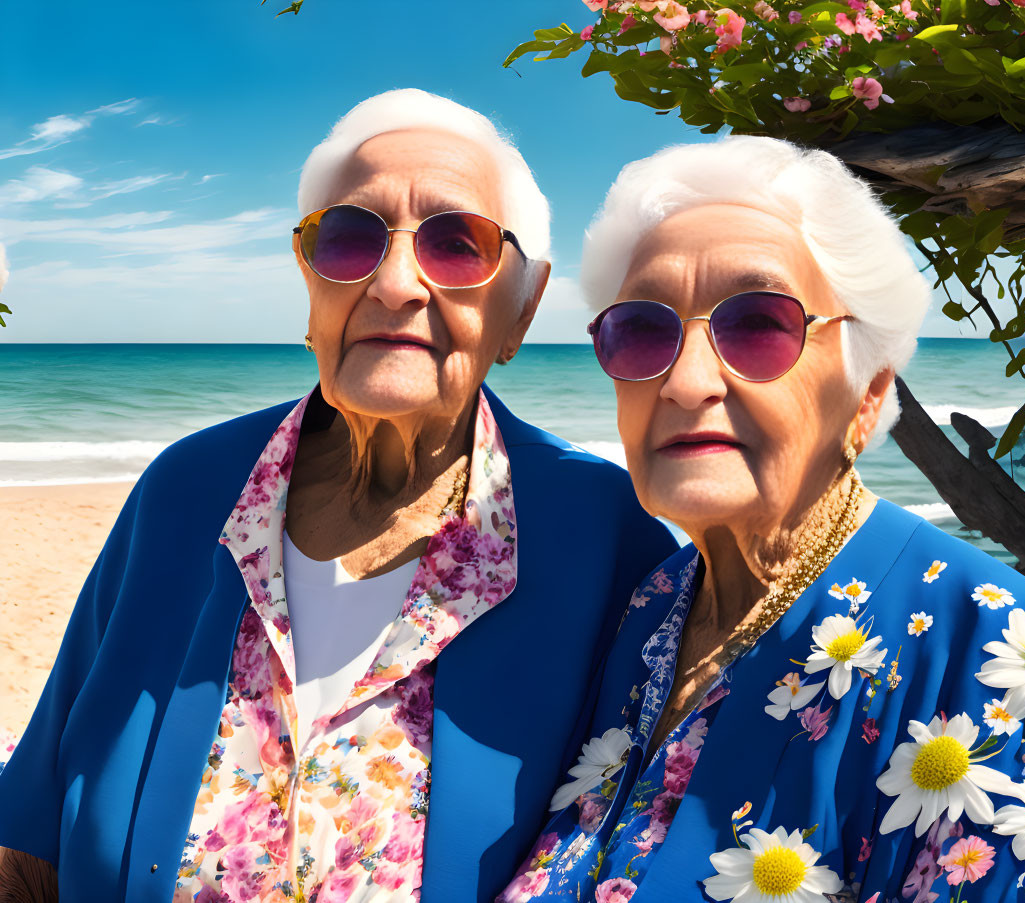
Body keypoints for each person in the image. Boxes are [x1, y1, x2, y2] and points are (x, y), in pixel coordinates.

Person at [0, 89, 676, 902]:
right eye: (352, 238)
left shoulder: (602, 534)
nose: (394, 285)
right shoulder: (187, 491)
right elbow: (32, 836)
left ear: (521, 310)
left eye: (457, 245)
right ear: (309, 279)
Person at [498, 136, 1025, 903]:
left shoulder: (996, 653)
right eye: (643, 331)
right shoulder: (651, 610)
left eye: (757, 325)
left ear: (867, 395)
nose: (683, 381)